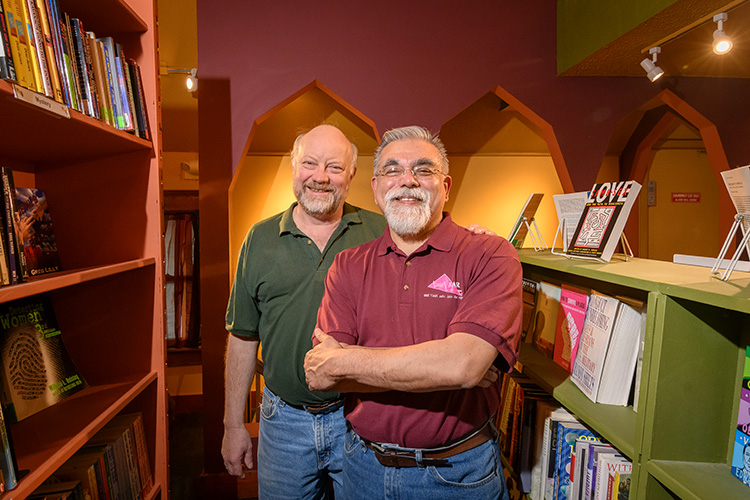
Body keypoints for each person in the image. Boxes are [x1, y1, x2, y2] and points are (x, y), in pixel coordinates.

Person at [304, 125, 523, 500]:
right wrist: (441, 365)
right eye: (392, 170)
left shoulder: (490, 255)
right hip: (362, 468)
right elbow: (322, 375)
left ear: (446, 186)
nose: (407, 180)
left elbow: (463, 365)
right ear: (375, 188)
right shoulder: (348, 265)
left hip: (457, 475)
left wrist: (348, 361)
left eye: (424, 169)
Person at [223, 124, 386, 498]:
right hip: (283, 423)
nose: (321, 177)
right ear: (294, 167)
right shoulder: (259, 239)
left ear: (352, 175)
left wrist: (475, 243)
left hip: (360, 418)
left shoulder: (381, 233)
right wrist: (233, 425)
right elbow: (243, 337)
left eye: (334, 167)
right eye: (310, 163)